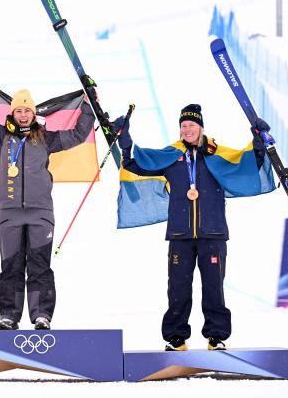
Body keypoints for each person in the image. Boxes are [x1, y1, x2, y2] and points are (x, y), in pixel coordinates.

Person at [115, 103, 271, 351]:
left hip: (213, 233)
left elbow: (248, 164)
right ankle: (176, 338)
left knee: (213, 287)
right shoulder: (171, 156)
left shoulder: (216, 153)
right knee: (177, 288)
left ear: (200, 127)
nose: (187, 130)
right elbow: (136, 164)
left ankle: (216, 337)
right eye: (183, 126)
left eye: (191, 125)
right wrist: (125, 141)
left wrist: (258, 141)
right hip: (180, 233)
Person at [0, 63, 95, 330]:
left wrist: (89, 105)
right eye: (19, 110)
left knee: (39, 266)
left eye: (27, 111)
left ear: (34, 114)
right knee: (10, 266)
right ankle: (9, 316)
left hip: (40, 213)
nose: (23, 115)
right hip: (9, 213)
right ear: (13, 112)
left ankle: (41, 315)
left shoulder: (45, 138)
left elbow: (79, 135)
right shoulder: (0, 136)